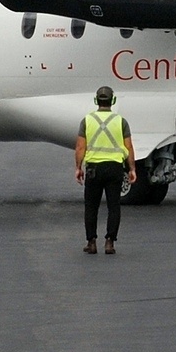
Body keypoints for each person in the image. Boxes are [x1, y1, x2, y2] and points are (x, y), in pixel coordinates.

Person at [75, 85, 137, 255]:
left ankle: (91, 242)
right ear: (113, 101)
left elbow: (80, 147)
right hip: (115, 168)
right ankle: (110, 242)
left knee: (91, 206)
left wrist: (78, 168)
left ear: (96, 101)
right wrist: (132, 168)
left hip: (94, 168)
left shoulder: (87, 121)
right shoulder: (121, 121)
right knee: (114, 206)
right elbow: (129, 146)